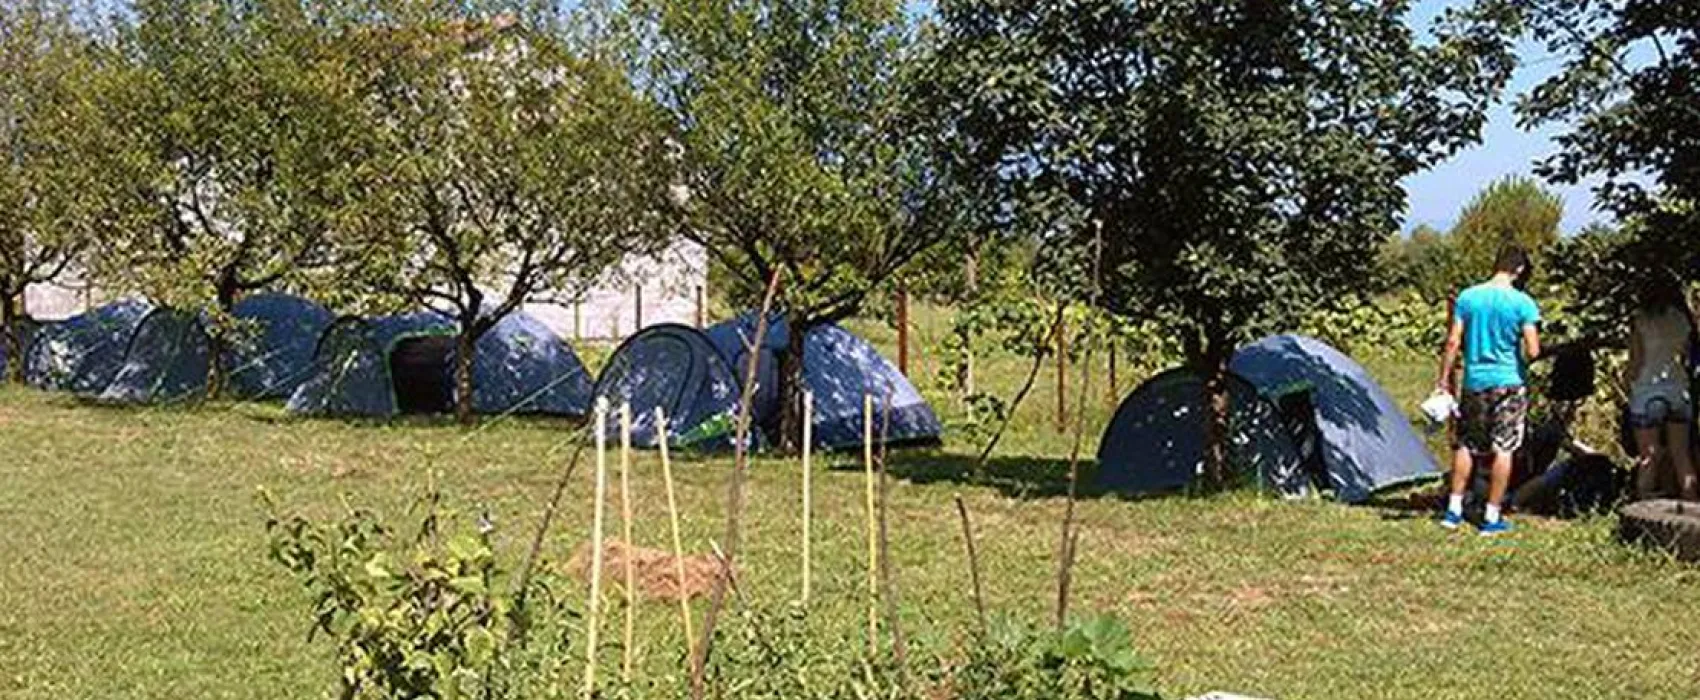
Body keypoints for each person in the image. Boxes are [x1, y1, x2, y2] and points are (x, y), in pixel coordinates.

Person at [1435, 245, 1541, 535]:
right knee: (1503, 448)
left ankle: (1453, 510)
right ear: (1519, 269)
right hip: (1509, 381)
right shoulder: (1523, 302)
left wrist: (1444, 379)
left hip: (1474, 380)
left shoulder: (1468, 297)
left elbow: (1453, 342)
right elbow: (1533, 351)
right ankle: (1491, 516)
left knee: (1467, 443)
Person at [1624, 281, 1696, 501]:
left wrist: (1628, 383)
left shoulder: (1641, 321)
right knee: (1681, 454)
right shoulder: (1683, 320)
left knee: (1649, 457)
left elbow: (1637, 360)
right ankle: (1693, 504)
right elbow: (1685, 357)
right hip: (1678, 390)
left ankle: (1643, 505)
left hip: (1647, 391)